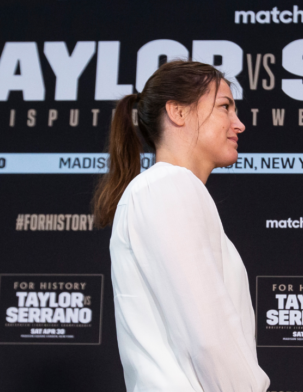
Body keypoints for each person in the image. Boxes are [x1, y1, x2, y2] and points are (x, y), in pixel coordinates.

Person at [92, 60, 270, 392]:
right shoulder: (166, 186)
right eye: (225, 107)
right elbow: (208, 336)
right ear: (178, 112)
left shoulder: (165, 189)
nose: (239, 124)